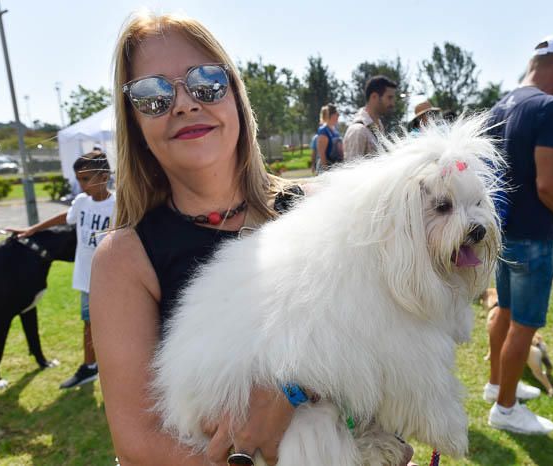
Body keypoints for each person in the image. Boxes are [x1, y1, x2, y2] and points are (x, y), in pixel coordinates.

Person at [89, 11, 414, 466]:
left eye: (205, 82)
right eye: (152, 95)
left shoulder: (322, 208)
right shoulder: (125, 259)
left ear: (236, 96)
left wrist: (289, 391)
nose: (183, 103)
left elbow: (391, 334)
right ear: (136, 125)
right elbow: (139, 443)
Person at [485, 35, 553, 434]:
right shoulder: (550, 107)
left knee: (504, 311)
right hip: (531, 233)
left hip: (502, 230)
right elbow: (548, 183)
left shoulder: (497, 107)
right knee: (524, 323)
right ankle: (506, 409)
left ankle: (498, 386)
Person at [11, 150, 114, 389]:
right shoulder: (81, 202)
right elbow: (65, 217)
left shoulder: (117, 204)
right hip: (88, 278)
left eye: (86, 179)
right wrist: (33, 229)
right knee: (89, 323)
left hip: (112, 278)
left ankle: (110, 366)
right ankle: (90, 367)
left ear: (104, 175)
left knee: (114, 323)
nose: (81, 184)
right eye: (79, 179)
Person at [343, 75, 396, 161]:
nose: (393, 104)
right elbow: (351, 172)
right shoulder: (358, 131)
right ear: (374, 96)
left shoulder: (379, 126)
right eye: (389, 98)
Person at [315, 103, 343, 173]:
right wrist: (326, 172)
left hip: (335, 169)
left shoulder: (335, 130)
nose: (338, 116)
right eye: (337, 114)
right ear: (331, 115)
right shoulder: (323, 130)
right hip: (326, 171)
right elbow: (322, 154)